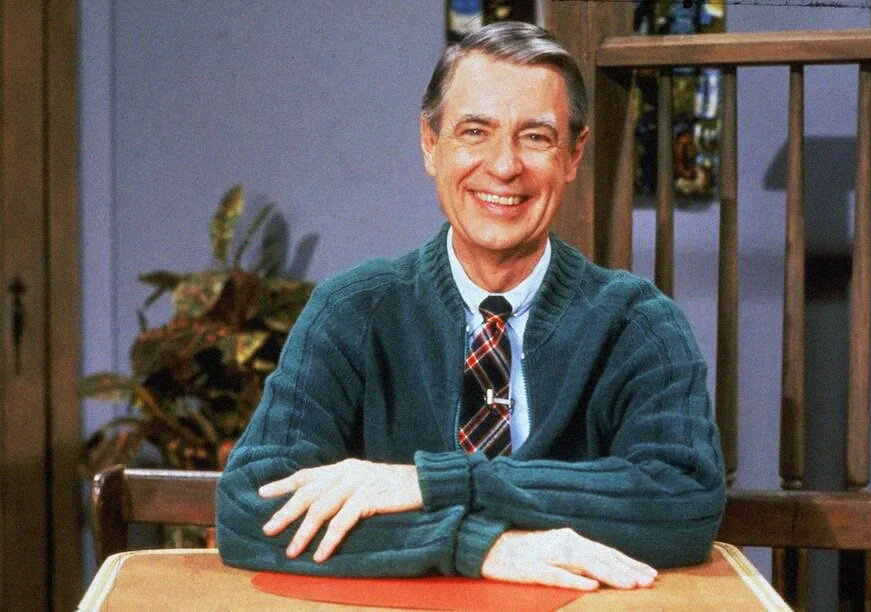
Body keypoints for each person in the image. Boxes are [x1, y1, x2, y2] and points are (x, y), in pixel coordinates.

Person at [216, 21, 725, 591]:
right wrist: (472, 544)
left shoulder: (640, 324)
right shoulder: (351, 310)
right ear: (431, 146)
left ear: (574, 155)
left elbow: (683, 502)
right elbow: (247, 509)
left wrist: (440, 483)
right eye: (474, 132)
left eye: (535, 137)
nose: (504, 166)